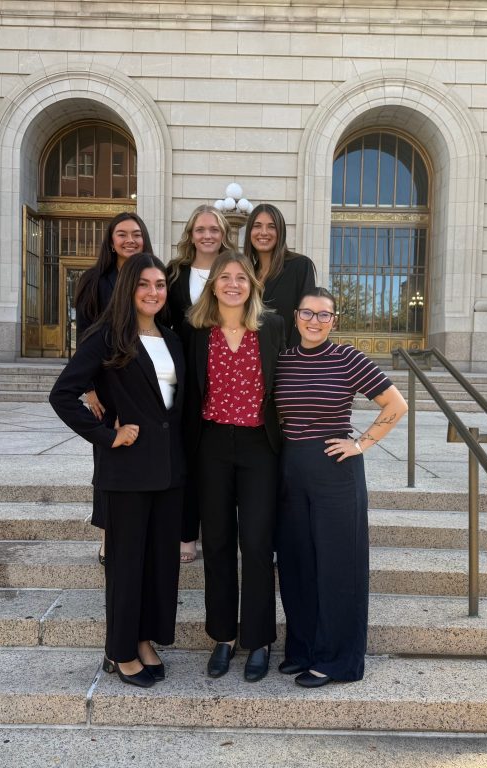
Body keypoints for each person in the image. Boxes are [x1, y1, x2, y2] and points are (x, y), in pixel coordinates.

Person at [49, 253, 185, 689]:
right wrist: (108, 435)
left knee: (159, 565)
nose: (153, 292)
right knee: (126, 565)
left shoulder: (170, 337)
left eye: (160, 285)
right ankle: (119, 650)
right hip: (126, 472)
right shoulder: (106, 337)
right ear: (129, 287)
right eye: (144, 284)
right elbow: (62, 395)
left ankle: (144, 639)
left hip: (167, 474)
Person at [274, 288, 408, 688]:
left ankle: (336, 661)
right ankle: (302, 649)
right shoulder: (281, 359)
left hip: (336, 470)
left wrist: (360, 443)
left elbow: (396, 405)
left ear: (335, 320)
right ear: (296, 316)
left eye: (324, 315)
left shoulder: (347, 358)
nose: (315, 321)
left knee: (337, 567)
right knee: (297, 565)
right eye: (307, 313)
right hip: (290, 469)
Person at [184, 251, 285, 683]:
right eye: (224, 277)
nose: (232, 283)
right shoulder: (195, 332)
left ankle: (259, 638)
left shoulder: (272, 327)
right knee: (220, 544)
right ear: (213, 286)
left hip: (259, 445)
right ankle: (223, 636)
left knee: (258, 543)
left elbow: (291, 380)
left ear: (252, 286)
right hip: (211, 445)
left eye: (240, 277)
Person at [73, 213, 154, 565]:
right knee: (108, 463)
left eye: (136, 234)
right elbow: (84, 337)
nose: (130, 240)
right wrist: (90, 389)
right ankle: (109, 538)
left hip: (144, 386)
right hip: (107, 387)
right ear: (110, 241)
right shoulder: (94, 281)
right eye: (121, 234)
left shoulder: (154, 276)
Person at [167, 204, 237, 564]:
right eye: (200, 229)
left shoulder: (235, 269)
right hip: (185, 375)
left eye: (214, 229)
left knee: (218, 457)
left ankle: (223, 532)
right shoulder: (175, 272)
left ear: (224, 233)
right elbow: (163, 322)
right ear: (190, 234)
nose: (207, 235)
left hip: (229, 374)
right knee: (188, 453)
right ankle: (185, 534)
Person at [243, 203, 316, 348]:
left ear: (280, 232)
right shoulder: (245, 274)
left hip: (287, 359)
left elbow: (307, 317)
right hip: (251, 361)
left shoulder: (300, 266)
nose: (263, 232)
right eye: (257, 226)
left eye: (271, 226)